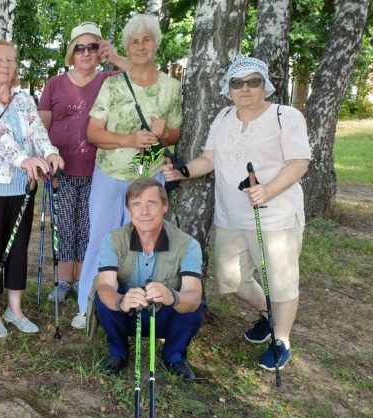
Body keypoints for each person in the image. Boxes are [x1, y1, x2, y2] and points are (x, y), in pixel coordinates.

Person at [163, 56, 310, 371]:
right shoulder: (225, 117)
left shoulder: (286, 116)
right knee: (231, 279)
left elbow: (299, 162)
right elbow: (209, 158)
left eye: (253, 82)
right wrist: (182, 172)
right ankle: (269, 314)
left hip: (275, 216)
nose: (245, 88)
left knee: (280, 282)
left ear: (264, 85)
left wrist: (268, 190)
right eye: (237, 83)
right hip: (230, 215)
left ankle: (281, 339)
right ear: (228, 88)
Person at [74, 14, 182, 330]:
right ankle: (88, 306)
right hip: (109, 176)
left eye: (146, 39)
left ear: (156, 44)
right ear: (126, 48)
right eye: (133, 41)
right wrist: (128, 139)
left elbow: (174, 134)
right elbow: (94, 133)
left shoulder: (171, 87)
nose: (140, 46)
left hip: (149, 180)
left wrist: (164, 134)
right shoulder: (112, 85)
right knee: (102, 240)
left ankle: (137, 308)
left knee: (144, 242)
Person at [0, 40, 64, 338]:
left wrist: (49, 152)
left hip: (23, 186)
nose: (5, 66)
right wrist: (25, 159)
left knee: (18, 247)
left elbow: (37, 130)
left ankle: (15, 308)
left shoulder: (23, 100)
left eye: (11, 60)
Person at [38, 22, 128, 303]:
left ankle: (84, 280)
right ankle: (65, 281)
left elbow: (143, 74)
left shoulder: (110, 79)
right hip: (60, 169)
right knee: (65, 226)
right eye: (80, 47)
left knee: (89, 227)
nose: (86, 53)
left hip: (99, 169)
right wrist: (44, 160)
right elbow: (40, 127)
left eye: (93, 47)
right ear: (71, 52)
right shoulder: (54, 84)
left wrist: (113, 55)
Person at [95, 178, 204, 382]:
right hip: (128, 315)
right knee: (103, 298)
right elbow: (105, 285)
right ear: (129, 211)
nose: (144, 211)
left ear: (165, 206)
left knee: (195, 306)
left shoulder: (188, 245)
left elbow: (193, 295)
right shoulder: (113, 239)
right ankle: (118, 353)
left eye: (152, 203)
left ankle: (174, 356)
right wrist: (122, 301)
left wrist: (172, 296)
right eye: (137, 204)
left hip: (165, 316)